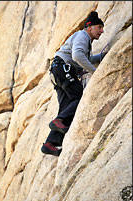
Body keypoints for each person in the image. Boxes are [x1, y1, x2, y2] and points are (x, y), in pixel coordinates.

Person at [41, 11, 108, 156]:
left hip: (57, 71)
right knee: (78, 97)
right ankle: (57, 122)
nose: (102, 31)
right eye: (99, 27)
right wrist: (95, 71)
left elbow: (84, 57)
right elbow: (77, 56)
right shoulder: (83, 36)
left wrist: (100, 57)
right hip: (63, 69)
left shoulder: (83, 38)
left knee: (65, 111)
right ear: (89, 27)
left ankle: (50, 144)